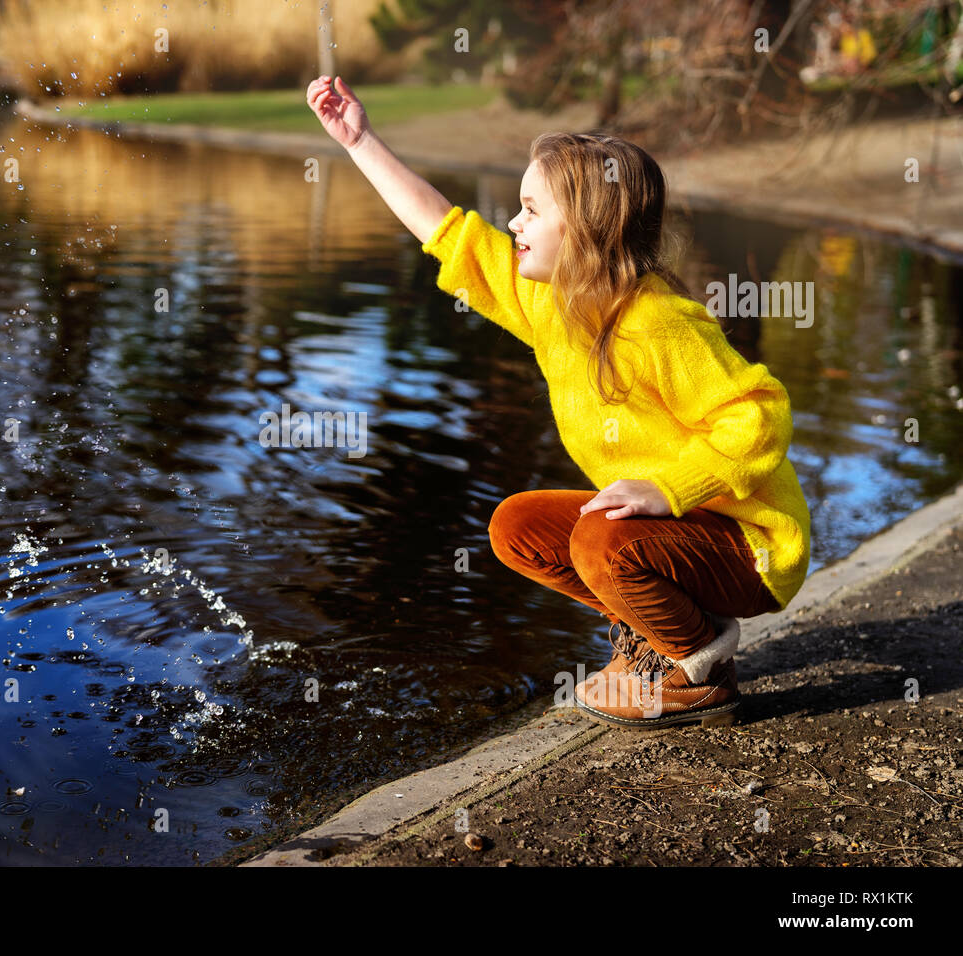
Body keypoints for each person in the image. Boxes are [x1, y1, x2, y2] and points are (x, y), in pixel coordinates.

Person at [305, 75, 811, 730]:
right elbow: (447, 233)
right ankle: (661, 636)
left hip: (752, 546)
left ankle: (700, 667)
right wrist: (360, 141)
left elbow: (763, 412)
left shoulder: (656, 320)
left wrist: (669, 489)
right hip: (679, 537)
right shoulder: (550, 304)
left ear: (588, 230)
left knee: (602, 541)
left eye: (531, 210)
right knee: (517, 528)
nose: (513, 223)